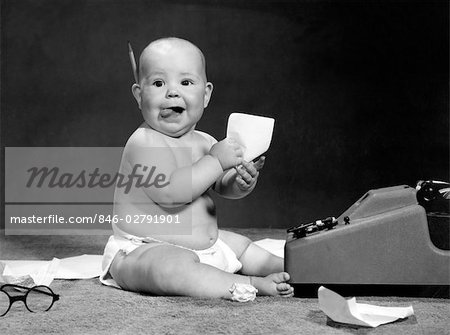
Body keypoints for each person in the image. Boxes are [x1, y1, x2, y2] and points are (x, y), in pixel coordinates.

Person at [100, 37, 294, 300]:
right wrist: (215, 161)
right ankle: (251, 283)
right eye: (158, 83)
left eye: (186, 82)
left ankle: (294, 268)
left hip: (206, 246)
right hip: (142, 250)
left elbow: (222, 185)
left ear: (205, 95)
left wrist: (239, 181)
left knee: (242, 246)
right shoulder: (143, 143)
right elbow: (171, 193)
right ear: (139, 95)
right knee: (170, 269)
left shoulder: (205, 142)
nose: (172, 92)